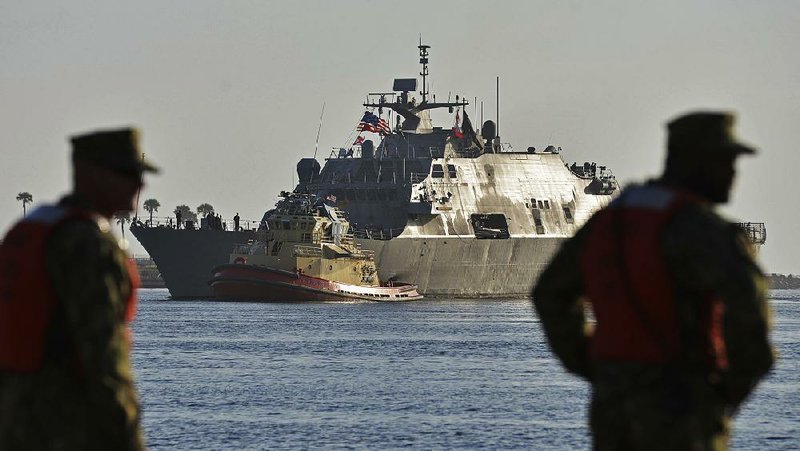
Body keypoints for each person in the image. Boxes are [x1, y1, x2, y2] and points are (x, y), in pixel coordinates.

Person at [532, 111, 774, 451]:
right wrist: (723, 392)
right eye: (724, 161)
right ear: (694, 162)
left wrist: (593, 365)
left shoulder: (610, 220)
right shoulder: (699, 228)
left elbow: (550, 293)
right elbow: (751, 318)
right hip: (683, 408)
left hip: (613, 411)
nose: (733, 173)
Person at [0, 127, 158, 450]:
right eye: (126, 173)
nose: (138, 185)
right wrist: (129, 437)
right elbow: (105, 359)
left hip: (16, 419)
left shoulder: (31, 231)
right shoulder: (90, 247)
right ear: (90, 174)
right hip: (67, 427)